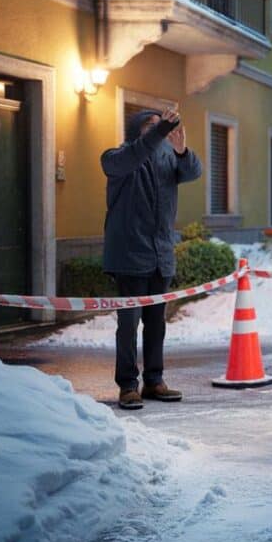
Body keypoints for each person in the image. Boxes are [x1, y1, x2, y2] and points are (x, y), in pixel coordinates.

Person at [101, 108, 202, 410]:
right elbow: (135, 155)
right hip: (129, 255)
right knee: (128, 325)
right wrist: (161, 132)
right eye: (151, 126)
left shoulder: (168, 159)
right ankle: (128, 386)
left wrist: (182, 149)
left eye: (162, 126)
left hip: (161, 255)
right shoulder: (117, 158)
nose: (159, 131)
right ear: (135, 130)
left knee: (156, 324)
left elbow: (193, 171)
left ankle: (154, 381)